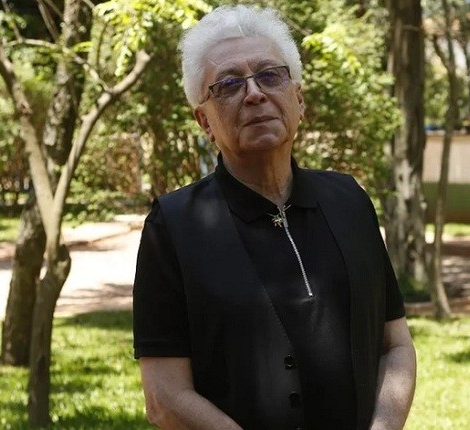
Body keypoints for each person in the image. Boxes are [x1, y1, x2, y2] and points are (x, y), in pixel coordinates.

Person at [132, 5, 417, 429]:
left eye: (270, 75)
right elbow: (164, 396)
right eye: (229, 84)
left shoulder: (350, 201)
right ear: (204, 120)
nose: (254, 94)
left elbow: (396, 345)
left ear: (298, 99)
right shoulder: (173, 226)